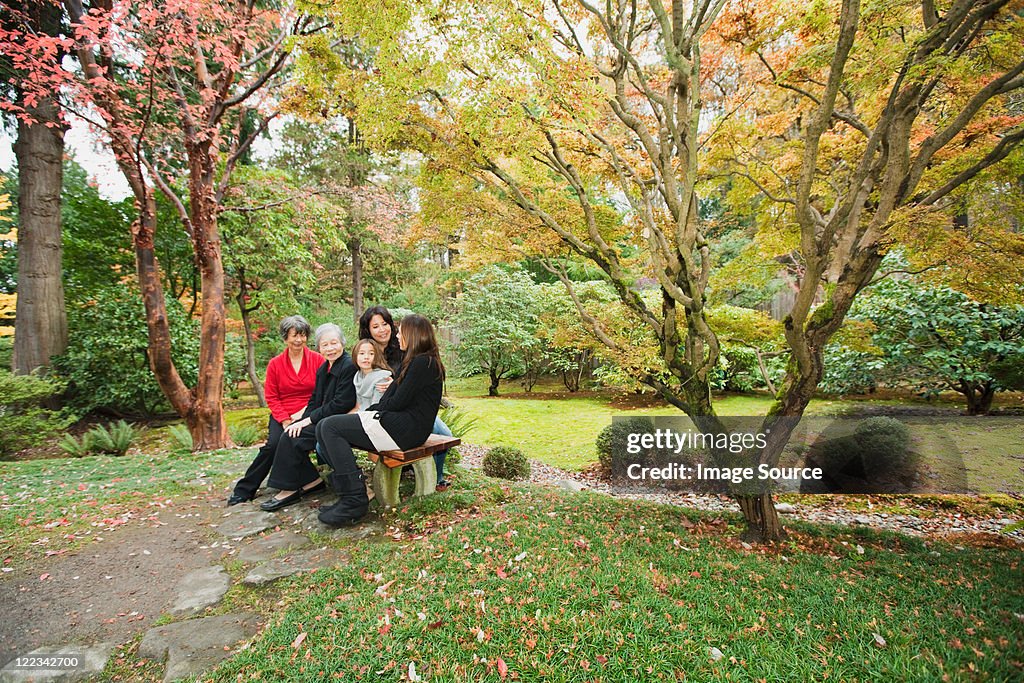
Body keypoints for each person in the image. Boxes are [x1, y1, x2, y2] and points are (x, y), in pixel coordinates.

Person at [316, 314, 445, 527]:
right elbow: (390, 399)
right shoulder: (414, 361)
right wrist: (373, 410)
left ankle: (355, 499)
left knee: (329, 427)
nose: (396, 334)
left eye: (400, 331)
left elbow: (395, 401)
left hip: (405, 430)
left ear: (412, 334)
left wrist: (371, 412)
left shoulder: (423, 363)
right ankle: (352, 494)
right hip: (397, 423)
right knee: (324, 426)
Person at [260, 323, 357, 512]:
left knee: (291, 437)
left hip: (339, 421)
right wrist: (301, 421)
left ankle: (288, 489)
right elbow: (314, 400)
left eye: (333, 343)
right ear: (319, 348)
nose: (330, 348)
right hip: (324, 418)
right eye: (324, 345)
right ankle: (310, 481)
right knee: (291, 433)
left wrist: (308, 420)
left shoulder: (348, 365)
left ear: (342, 343)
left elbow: (341, 403)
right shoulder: (323, 369)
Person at [227, 316, 322, 506]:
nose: (298, 340)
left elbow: (321, 393)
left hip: (309, 413)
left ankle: (303, 483)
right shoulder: (275, 364)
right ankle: (245, 489)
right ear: (285, 338)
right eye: (294, 336)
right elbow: (271, 397)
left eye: (302, 335)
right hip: (282, 414)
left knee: (291, 441)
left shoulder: (317, 360)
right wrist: (285, 419)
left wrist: (303, 414)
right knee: (274, 444)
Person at [357, 306, 455, 491]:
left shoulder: (408, 351)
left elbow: (410, 386)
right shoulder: (366, 351)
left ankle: (436, 476)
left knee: (444, 436)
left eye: (385, 324)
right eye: (375, 326)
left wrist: (395, 383)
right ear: (368, 330)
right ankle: (403, 471)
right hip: (387, 407)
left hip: (411, 408)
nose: (382, 330)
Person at [350, 338, 393, 411]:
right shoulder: (358, 376)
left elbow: (376, 408)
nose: (366, 357)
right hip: (360, 414)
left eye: (371, 354)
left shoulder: (382, 378)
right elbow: (358, 406)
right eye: (362, 353)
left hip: (373, 416)